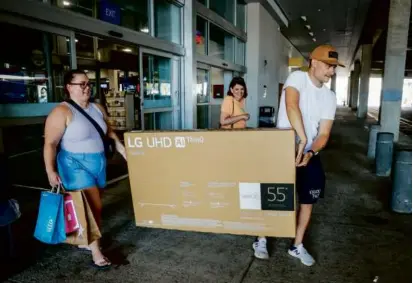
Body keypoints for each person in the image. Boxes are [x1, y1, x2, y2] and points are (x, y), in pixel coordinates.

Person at [252, 45, 341, 266]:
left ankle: (297, 245)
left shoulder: (330, 97)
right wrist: (301, 138)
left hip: (309, 154)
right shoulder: (297, 78)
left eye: (334, 67)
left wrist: (310, 151)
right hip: (282, 148)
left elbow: (324, 133)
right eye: (329, 66)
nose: (332, 71)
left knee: (308, 200)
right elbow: (292, 106)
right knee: (272, 196)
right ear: (314, 62)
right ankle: (261, 238)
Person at [43, 70, 127, 269]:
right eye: (81, 84)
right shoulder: (61, 112)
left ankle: (87, 238)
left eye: (88, 83)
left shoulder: (97, 108)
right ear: (69, 87)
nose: (87, 87)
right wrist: (50, 170)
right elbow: (50, 144)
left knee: (94, 205)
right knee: (91, 206)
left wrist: (120, 146)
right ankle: (96, 251)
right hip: (74, 164)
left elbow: (108, 130)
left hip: (98, 163)